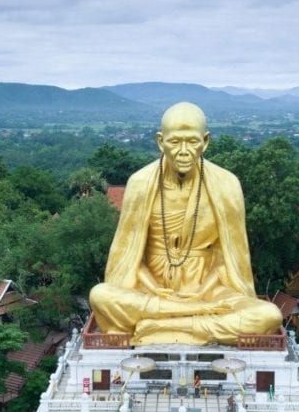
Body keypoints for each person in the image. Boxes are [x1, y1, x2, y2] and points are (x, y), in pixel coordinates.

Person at [89, 102, 281, 345]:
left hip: (209, 292)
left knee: (268, 315)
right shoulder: (140, 183)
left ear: (206, 141)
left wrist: (203, 296)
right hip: (153, 292)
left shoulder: (226, 184)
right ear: (161, 141)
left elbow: (230, 257)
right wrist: (155, 290)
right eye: (174, 141)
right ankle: (186, 323)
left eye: (192, 142)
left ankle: (159, 327)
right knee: (100, 295)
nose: (183, 151)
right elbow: (127, 257)